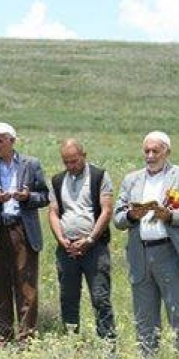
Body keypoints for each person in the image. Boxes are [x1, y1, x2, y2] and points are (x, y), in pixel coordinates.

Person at [113, 131, 179, 356]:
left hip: (171, 253)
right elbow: (117, 219)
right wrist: (131, 216)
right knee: (144, 315)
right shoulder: (131, 180)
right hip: (141, 254)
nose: (150, 155)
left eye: (156, 151)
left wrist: (172, 216)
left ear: (167, 152)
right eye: (146, 151)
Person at [0, 122, 49, 343]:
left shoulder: (31, 165)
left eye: (0, 140)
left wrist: (28, 198)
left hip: (22, 229)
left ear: (12, 141)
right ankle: (0, 335)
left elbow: (44, 196)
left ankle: (27, 337)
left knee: (26, 285)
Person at [48, 138, 116, 340]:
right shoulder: (57, 180)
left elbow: (107, 210)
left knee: (100, 298)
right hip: (67, 248)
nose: (71, 166)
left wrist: (90, 239)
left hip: (94, 247)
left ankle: (108, 345)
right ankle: (71, 342)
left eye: (74, 161)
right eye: (66, 162)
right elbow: (53, 212)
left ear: (84, 156)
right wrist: (61, 239)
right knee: (68, 298)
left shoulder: (99, 176)